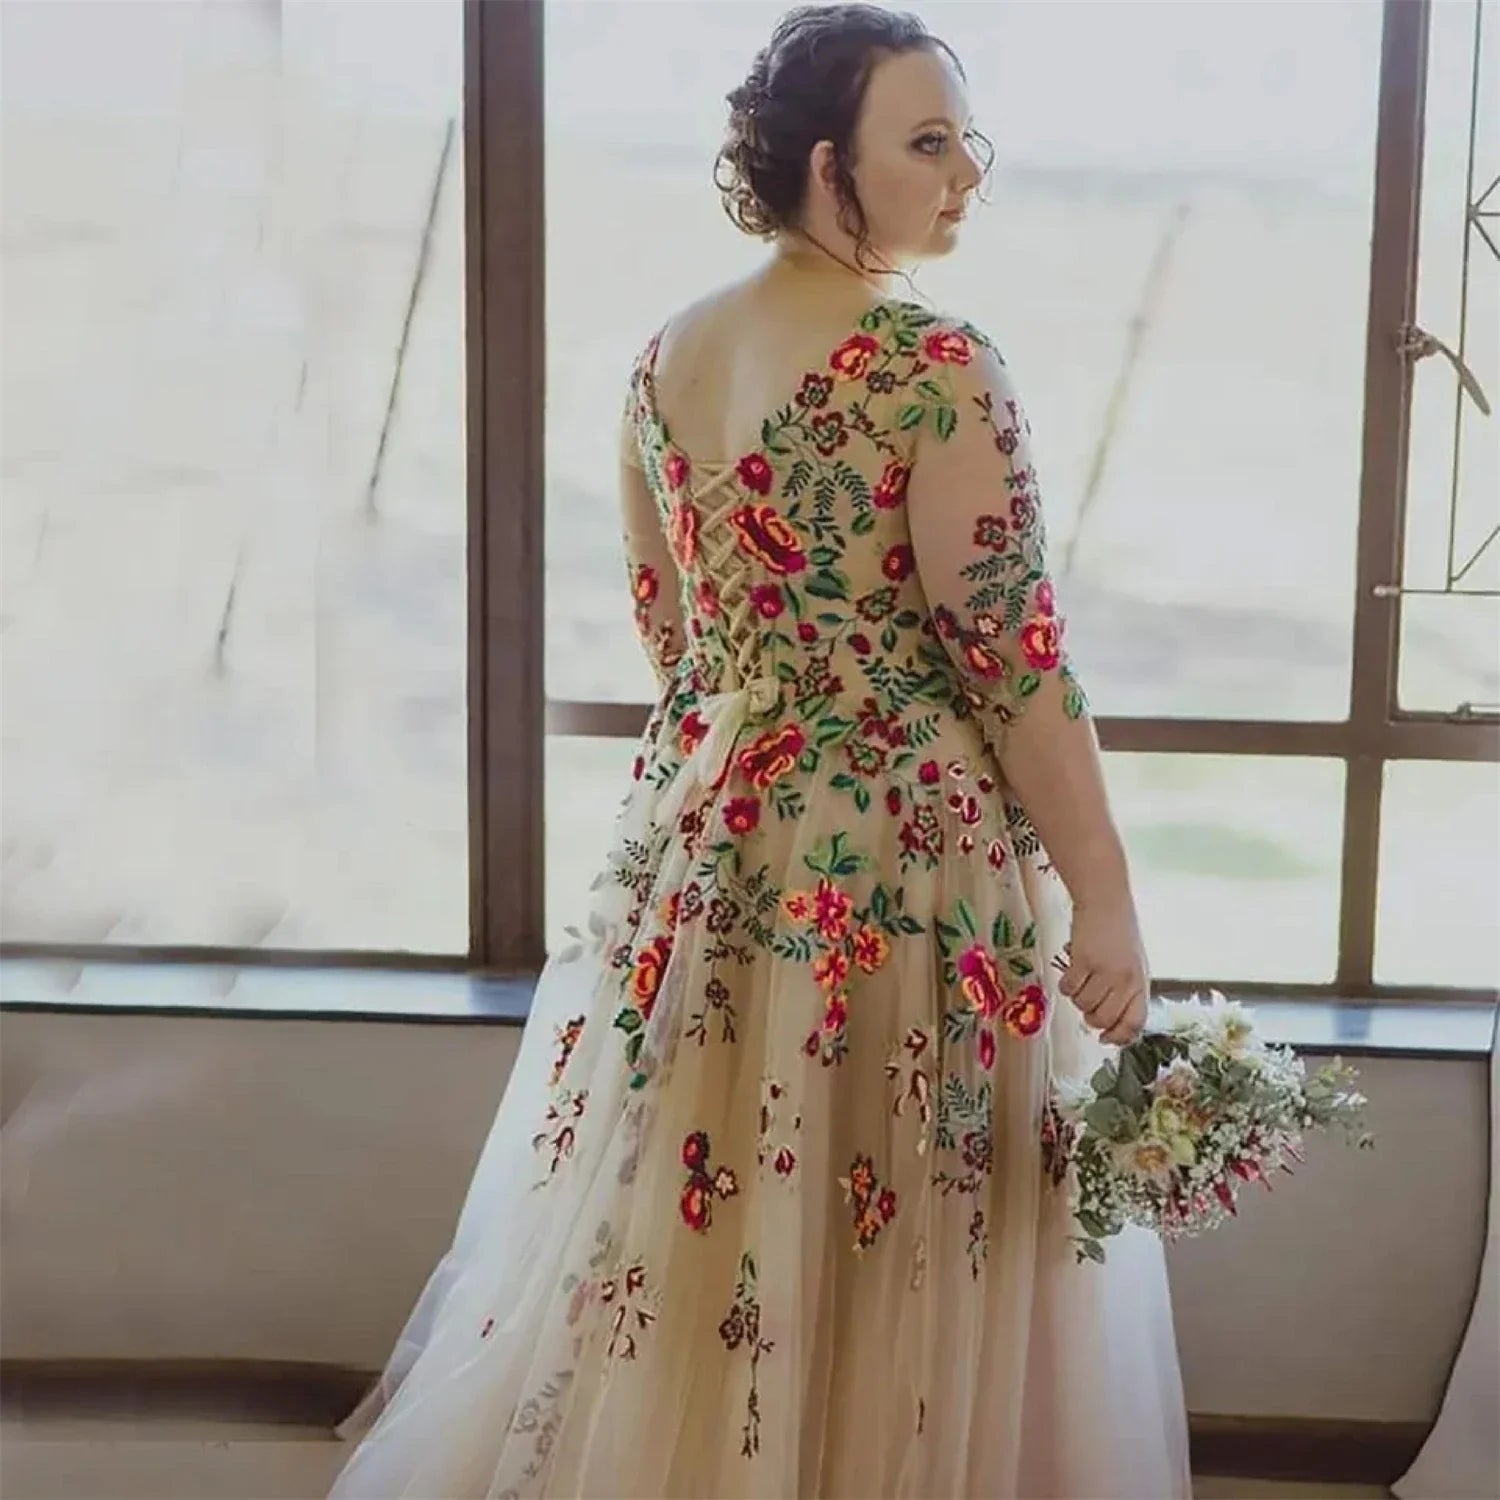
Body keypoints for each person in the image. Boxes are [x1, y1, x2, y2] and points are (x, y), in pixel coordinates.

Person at [328, 6, 1191, 1496]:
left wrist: (767, 755)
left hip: (713, 840)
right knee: (897, 1237)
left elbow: (671, 628)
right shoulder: (932, 368)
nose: (963, 175)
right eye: (925, 144)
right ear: (821, 163)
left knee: (703, 1221)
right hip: (900, 864)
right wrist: (1105, 893)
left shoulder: (669, 354)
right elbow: (1016, 663)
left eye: (965, 140)